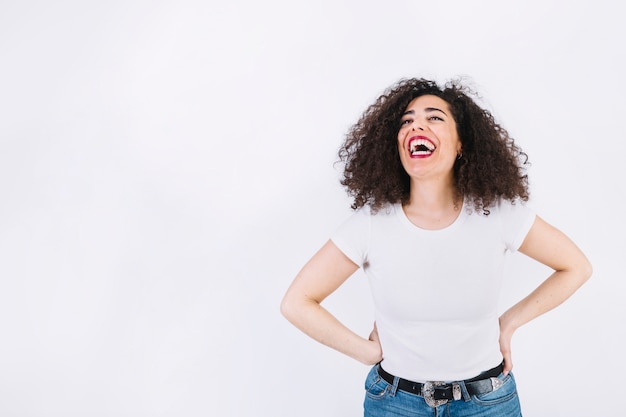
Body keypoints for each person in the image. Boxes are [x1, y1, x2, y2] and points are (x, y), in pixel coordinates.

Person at [280, 77, 592, 416]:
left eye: (434, 117)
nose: (417, 125)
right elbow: (297, 302)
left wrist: (510, 322)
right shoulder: (370, 223)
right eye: (407, 121)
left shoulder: (499, 214)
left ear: (461, 144)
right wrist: (366, 352)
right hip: (395, 403)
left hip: (487, 403)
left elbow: (576, 267)